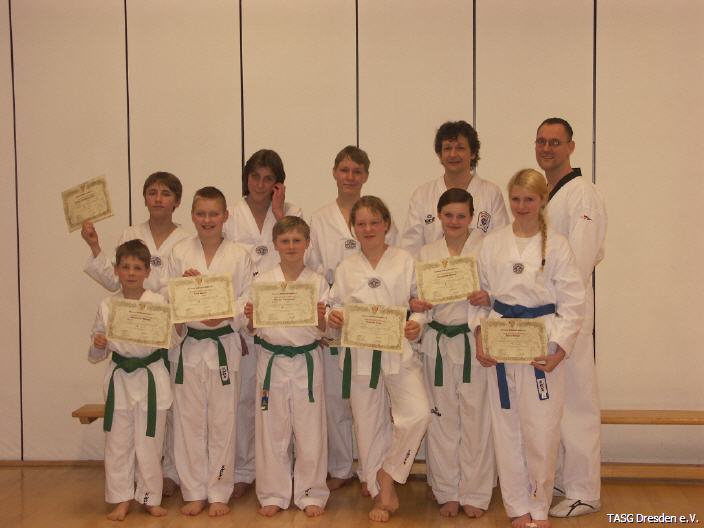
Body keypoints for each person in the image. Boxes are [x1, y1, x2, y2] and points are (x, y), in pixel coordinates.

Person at [473, 169, 585, 528]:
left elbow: (573, 302)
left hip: (541, 343)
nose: (522, 206)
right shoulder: (492, 243)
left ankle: (539, 504)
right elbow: (480, 297)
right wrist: (479, 337)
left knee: (541, 430)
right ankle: (517, 507)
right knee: (506, 429)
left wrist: (560, 350)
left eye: (529, 199)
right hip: (501, 341)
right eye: (516, 199)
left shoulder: (558, 245)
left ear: (542, 201)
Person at [81, 171, 191, 496]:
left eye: (166, 193)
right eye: (152, 192)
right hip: (130, 329)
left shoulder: (186, 239)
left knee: (167, 411)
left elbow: (185, 288)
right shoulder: (131, 234)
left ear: (176, 201)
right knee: (136, 419)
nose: (158, 198)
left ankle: (166, 475)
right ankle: (130, 483)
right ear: (144, 197)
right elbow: (114, 278)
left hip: (168, 323)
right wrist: (95, 245)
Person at [328, 196, 431, 523]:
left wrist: (418, 323)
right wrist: (334, 316)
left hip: (397, 351)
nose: (368, 228)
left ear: (386, 224)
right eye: (361, 223)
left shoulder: (405, 260)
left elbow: (421, 302)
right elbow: (334, 304)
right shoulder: (346, 267)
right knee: (367, 425)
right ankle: (378, 493)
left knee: (417, 414)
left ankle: (388, 473)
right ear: (353, 229)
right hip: (359, 355)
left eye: (374, 222)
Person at [307, 146, 397, 493]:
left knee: (374, 402)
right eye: (344, 170)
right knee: (336, 399)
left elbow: (391, 263)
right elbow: (312, 266)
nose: (350, 177)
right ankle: (342, 466)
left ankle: (373, 471)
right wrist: (328, 310)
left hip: (374, 323)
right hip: (338, 314)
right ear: (334, 172)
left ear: (366, 176)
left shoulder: (375, 213)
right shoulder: (320, 217)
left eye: (357, 171)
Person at [165, 187, 254, 516]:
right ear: (192, 215)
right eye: (201, 213)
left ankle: (219, 490)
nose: (207, 220)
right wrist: (186, 288)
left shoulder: (239, 255)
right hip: (189, 346)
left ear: (225, 216)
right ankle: (193, 490)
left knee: (223, 420)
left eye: (214, 214)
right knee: (188, 421)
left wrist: (225, 315)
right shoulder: (179, 253)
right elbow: (168, 298)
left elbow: (247, 299)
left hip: (223, 346)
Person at [534, 118, 607, 518]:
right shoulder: (547, 193)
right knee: (556, 402)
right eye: (541, 141)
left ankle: (584, 490)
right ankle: (564, 479)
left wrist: (562, 313)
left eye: (555, 142)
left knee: (578, 401)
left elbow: (578, 262)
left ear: (571, 147)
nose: (547, 148)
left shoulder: (582, 195)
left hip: (570, 311)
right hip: (547, 312)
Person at [411, 188, 495, 518]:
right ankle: (447, 490)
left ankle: (475, 492)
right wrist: (416, 309)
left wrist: (488, 298)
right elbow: (420, 301)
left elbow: (498, 292)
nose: (455, 221)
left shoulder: (486, 248)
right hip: (438, 343)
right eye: (449, 215)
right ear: (439, 215)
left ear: (472, 217)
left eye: (462, 216)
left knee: (476, 419)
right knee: (442, 419)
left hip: (474, 340)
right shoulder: (427, 253)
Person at [223, 150, 302, 497]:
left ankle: (286, 471)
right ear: (246, 178)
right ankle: (243, 470)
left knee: (285, 405)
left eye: (268, 178)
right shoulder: (230, 217)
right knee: (243, 400)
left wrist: (281, 214)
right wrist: (236, 322)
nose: (260, 184)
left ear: (278, 183)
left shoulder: (292, 213)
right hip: (243, 316)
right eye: (255, 176)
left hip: (282, 321)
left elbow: (303, 257)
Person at [89, 239, 180, 521]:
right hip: (120, 380)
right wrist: (99, 344)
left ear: (147, 272)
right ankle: (121, 499)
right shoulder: (107, 305)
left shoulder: (158, 303)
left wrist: (175, 327)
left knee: (150, 442)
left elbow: (172, 341)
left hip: (152, 377)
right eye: (125, 267)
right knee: (118, 443)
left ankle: (150, 497)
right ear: (116, 270)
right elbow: (96, 352)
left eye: (137, 267)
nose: (131, 273)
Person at [244, 216, 330, 517]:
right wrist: (251, 318)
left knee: (310, 429)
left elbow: (325, 330)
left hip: (306, 360)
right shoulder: (263, 282)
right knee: (272, 430)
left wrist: (321, 317)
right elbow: (252, 329)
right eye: (285, 241)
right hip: (272, 361)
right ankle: (273, 493)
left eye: (297, 240)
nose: (291, 246)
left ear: (307, 244)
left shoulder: (317, 281)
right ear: (275, 245)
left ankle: (311, 493)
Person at [400, 120, 509, 257]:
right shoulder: (422, 195)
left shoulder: (491, 193)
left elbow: (501, 244)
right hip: (433, 269)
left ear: (473, 153)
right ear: (439, 154)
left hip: (480, 269)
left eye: (460, 148)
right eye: (447, 148)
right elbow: (410, 250)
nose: (453, 154)